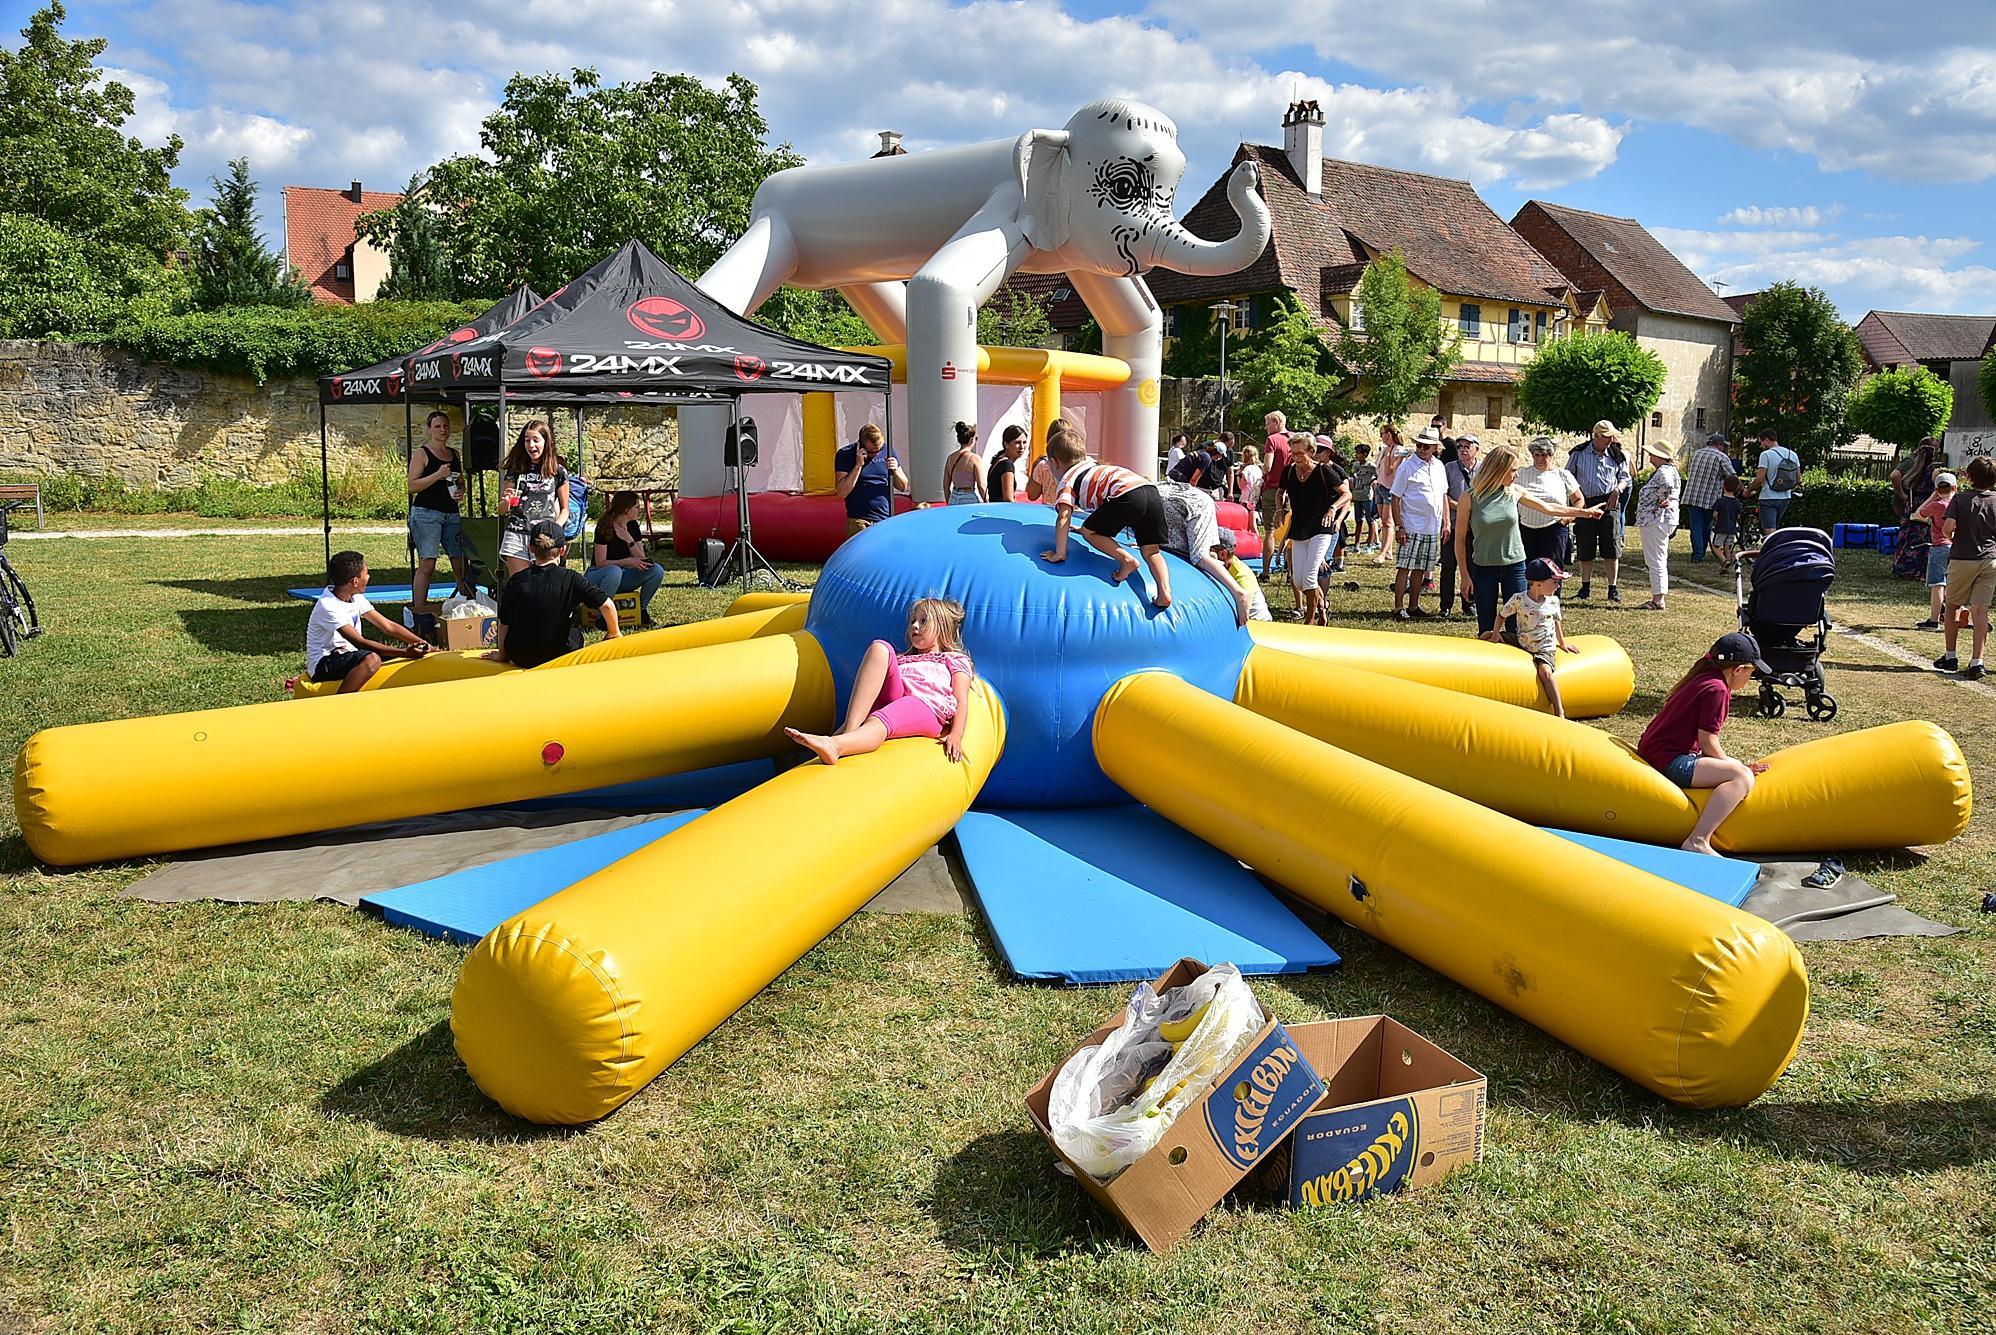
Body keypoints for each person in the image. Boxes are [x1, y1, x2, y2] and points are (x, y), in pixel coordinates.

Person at [785, 598, 975, 766]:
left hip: (924, 706)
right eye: (912, 622)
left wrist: (956, 735)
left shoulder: (953, 659)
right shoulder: (902, 659)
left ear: (942, 626)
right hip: (895, 698)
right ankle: (848, 732)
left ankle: (837, 745)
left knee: (881, 718)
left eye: (923, 621)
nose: (915, 626)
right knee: (880, 647)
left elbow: (961, 700)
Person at [1637, 632, 1772, 855]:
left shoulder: (1705, 677)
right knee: (1741, 777)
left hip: (1657, 751)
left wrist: (1731, 763)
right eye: (1752, 672)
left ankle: (1699, 839)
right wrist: (1738, 767)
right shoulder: (1717, 690)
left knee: (1736, 768)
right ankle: (1698, 841)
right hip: (1669, 759)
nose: (1750, 678)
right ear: (1738, 670)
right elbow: (1708, 741)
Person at [1455, 443, 1601, 641]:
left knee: (1519, 625)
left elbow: (1550, 508)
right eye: (1513, 470)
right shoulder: (1469, 498)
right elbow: (1460, 539)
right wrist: (1464, 575)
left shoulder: (1515, 492)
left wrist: (1585, 513)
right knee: (1487, 627)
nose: (1516, 475)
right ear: (1498, 470)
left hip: (1515, 566)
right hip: (1483, 567)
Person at [1041, 432, 1174, 610]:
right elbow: (1105, 510)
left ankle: (1126, 560)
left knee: (1090, 532)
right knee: (1151, 550)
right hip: (1150, 491)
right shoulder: (1093, 466)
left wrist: (1060, 552)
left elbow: (1064, 516)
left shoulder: (1067, 481)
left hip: (1128, 496)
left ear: (1054, 462)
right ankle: (1164, 593)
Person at [294, 550, 433, 694]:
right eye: (366, 573)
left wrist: (425, 645)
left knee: (388, 655)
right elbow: (359, 642)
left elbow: (388, 626)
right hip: (324, 664)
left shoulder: (356, 597)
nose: (369, 577)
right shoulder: (327, 605)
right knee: (372, 658)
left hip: (348, 655)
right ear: (355, 581)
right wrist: (404, 652)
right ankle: (339, 702)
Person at [491, 520, 618, 667]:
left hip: (521, 656)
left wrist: (502, 655)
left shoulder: (517, 580)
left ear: (530, 548)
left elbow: (504, 623)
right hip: (557, 655)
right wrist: (613, 633)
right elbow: (607, 606)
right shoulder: (571, 578)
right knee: (576, 635)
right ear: (563, 550)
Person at [1158, 479, 1255, 626]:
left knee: (1199, 556)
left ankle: (1239, 593)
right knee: (1188, 551)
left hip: (1192, 504)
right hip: (1178, 503)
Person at [1934, 456, 1996, 680]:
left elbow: (1948, 528)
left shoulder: (1960, 500)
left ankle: (1950, 656)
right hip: (1989, 560)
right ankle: (1977, 662)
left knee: (1952, 606)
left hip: (1963, 557)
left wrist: (1952, 535)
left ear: (1969, 477)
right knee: (1980, 610)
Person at [407, 410, 469, 617]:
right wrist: (437, 475)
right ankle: (419, 610)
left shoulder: (454, 454)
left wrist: (461, 490)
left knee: (460, 562)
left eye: (445, 426)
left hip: (451, 513)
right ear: (429, 429)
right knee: (428, 563)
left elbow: (460, 481)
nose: (442, 430)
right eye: (437, 426)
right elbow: (412, 486)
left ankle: (466, 603)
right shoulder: (422, 453)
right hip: (426, 513)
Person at [1500, 557, 1576, 718]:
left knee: (1545, 672)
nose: (1558, 585)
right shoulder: (1519, 599)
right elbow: (1502, 615)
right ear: (1538, 584)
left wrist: (1562, 643)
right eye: (1554, 582)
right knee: (1488, 636)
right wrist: (1494, 634)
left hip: (1544, 647)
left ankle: (1559, 710)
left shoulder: (1553, 601)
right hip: (1523, 641)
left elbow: (1557, 622)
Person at [1283, 436, 1347, 625]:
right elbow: (1280, 492)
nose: (1296, 457)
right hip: (1299, 528)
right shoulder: (1289, 471)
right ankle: (1321, 606)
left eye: (1300, 453)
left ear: (1311, 452)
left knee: (1310, 577)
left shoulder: (1324, 471)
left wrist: (1333, 509)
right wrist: (1280, 509)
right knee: (1298, 581)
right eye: (1293, 454)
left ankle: (1310, 620)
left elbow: (1346, 494)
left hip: (1321, 528)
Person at [1567, 420, 1632, 602]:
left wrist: (1618, 489)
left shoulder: (1616, 454)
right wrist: (1575, 500)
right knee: (1585, 545)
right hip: (1586, 503)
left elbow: (1624, 477)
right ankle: (1585, 587)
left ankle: (1612, 588)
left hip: (1609, 503)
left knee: (1611, 546)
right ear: (1596, 436)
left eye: (1612, 436)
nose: (1611, 440)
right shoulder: (1579, 454)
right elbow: (1568, 476)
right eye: (1607, 436)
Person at [498, 419, 570, 576]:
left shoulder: (558, 472)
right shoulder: (515, 470)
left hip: (545, 537)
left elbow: (565, 509)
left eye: (536, 440)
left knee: (545, 586)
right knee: (521, 587)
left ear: (546, 442)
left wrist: (555, 529)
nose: (531, 445)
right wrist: (506, 502)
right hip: (517, 533)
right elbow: (501, 511)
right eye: (527, 440)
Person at [1391, 427, 1449, 619]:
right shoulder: (1406, 467)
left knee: (1421, 568)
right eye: (1419, 445)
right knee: (1404, 567)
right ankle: (1399, 607)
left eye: (1426, 446)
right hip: (1411, 525)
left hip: (1432, 527)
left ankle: (1414, 606)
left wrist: (1446, 522)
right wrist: (1400, 526)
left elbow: (1443, 496)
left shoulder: (1439, 467)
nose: (1422, 448)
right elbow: (1395, 498)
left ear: (1435, 447)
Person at [585, 490, 665, 627]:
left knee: (656, 570)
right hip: (600, 576)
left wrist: (629, 539)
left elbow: (641, 558)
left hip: (621, 576)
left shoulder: (633, 526)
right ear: (627, 509)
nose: (639, 511)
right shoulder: (604, 526)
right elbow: (600, 563)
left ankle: (642, 609)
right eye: (637, 508)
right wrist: (627, 561)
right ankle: (602, 616)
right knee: (614, 571)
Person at [1516, 436, 1583, 566]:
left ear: (1551, 455)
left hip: (1554, 529)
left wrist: (1568, 518)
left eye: (1543, 455)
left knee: (1552, 570)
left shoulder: (1563, 475)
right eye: (1536, 455)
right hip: (1526, 528)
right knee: (1527, 570)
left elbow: (1579, 499)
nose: (1540, 459)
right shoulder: (1521, 474)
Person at [836, 423, 910, 534]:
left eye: (879, 450)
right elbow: (842, 492)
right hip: (859, 519)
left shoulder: (888, 451)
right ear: (861, 446)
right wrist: (857, 466)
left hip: (884, 518)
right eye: (872, 452)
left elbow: (903, 486)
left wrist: (895, 470)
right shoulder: (845, 455)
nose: (876, 454)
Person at [1439, 434, 1482, 617]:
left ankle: (1469, 603)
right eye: (1459, 446)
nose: (1463, 449)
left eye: (1467, 446)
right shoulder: (1449, 468)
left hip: (1476, 527)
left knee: (1473, 566)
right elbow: (1442, 494)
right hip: (1454, 524)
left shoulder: (1484, 469)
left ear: (1476, 449)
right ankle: (1445, 606)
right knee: (1448, 566)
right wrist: (1460, 506)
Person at [1635, 442, 1682, 611]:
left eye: (1653, 454)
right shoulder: (1670, 470)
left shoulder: (1664, 471)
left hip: (1656, 519)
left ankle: (1658, 599)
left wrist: (1662, 498)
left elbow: (1668, 486)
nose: (1650, 457)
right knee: (1658, 558)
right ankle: (1658, 596)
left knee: (1655, 560)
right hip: (1661, 519)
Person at [1891, 437, 1942, 581]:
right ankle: (1920, 572)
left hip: (1912, 506)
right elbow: (1939, 491)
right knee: (1924, 538)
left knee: (1907, 537)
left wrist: (1902, 495)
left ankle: (1902, 568)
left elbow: (1899, 478)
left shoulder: (1914, 467)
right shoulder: (1934, 471)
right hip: (1926, 505)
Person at [1682, 433, 1737, 563]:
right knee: (1706, 525)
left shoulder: (1697, 453)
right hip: (1710, 498)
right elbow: (1732, 476)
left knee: (1695, 525)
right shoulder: (1721, 457)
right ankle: (1702, 552)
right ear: (1719, 445)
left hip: (1691, 495)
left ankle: (1697, 554)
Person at [1915, 472, 1959, 629]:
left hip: (1939, 546)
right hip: (1957, 548)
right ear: (1955, 487)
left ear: (1937, 489)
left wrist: (1932, 497)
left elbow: (1917, 514)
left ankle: (1934, 620)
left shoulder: (1936, 505)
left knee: (1938, 584)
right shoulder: (1959, 504)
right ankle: (1957, 615)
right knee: (1953, 584)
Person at [1750, 427, 1802, 534]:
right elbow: (1798, 479)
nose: (1761, 445)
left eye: (1761, 442)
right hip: (1785, 498)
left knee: (1770, 530)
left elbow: (1759, 479)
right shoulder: (1792, 454)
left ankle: (1772, 550)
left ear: (1767, 440)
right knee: (1775, 529)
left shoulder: (1766, 455)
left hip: (1768, 498)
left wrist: (1748, 491)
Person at [1212, 529, 1270, 621]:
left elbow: (1245, 603)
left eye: (1210, 552)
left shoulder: (1242, 576)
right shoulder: (1228, 564)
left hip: (1257, 621)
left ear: (1223, 554)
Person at [1258, 423, 1292, 579]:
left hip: (1273, 489)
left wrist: (1263, 471)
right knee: (1290, 530)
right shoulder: (1294, 438)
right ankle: (1290, 572)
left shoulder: (1272, 439)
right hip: (1292, 489)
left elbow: (1267, 467)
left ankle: (1265, 572)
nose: (1266, 427)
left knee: (1270, 531)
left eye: (1267, 424)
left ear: (1277, 423)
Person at [1372, 424, 1405, 564]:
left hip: (1390, 489)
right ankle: (1388, 550)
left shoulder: (1398, 450)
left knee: (1388, 522)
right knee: (1384, 521)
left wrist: (1387, 455)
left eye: (1382, 433)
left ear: (1389, 434)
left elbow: (1389, 470)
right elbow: (1378, 469)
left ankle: (1383, 552)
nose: (1381, 436)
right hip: (1381, 487)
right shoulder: (1386, 449)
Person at [943, 421, 986, 505]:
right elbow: (981, 485)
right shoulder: (975, 458)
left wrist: (949, 502)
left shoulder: (950, 458)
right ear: (972, 440)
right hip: (969, 496)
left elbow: (945, 485)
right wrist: (986, 501)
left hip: (954, 496)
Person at [987, 424, 1028, 502]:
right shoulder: (1007, 465)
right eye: (1017, 442)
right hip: (1001, 511)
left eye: (1024, 442)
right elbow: (1008, 499)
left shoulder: (999, 460)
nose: (1022, 446)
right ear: (1006, 444)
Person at [1349, 443, 1378, 549]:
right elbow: (1353, 476)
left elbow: (1378, 475)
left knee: (1370, 520)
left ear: (1365, 454)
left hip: (1367, 496)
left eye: (1358, 453)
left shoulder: (1371, 466)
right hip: (1357, 496)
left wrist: (1372, 481)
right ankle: (1356, 544)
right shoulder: (1355, 465)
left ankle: (1370, 544)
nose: (1356, 455)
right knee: (1358, 520)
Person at [1713, 476, 1744, 574]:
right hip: (1732, 529)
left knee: (1715, 546)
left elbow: (1715, 514)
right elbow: (1738, 516)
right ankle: (1726, 566)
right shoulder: (1737, 502)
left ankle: (1724, 560)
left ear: (1724, 486)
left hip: (1721, 527)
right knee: (1727, 547)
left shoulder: (1720, 501)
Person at [1236, 444, 1264, 518]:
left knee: (1245, 519)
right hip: (1255, 498)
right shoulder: (1258, 469)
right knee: (1253, 518)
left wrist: (1238, 476)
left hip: (1246, 498)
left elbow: (1241, 486)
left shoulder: (1246, 470)